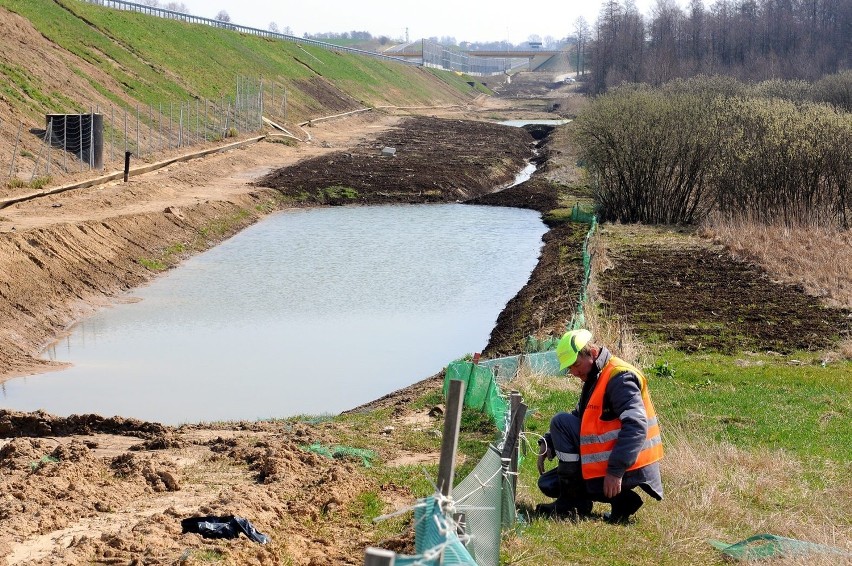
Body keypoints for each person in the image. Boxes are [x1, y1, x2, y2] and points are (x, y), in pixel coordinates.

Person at [535, 328, 664, 523]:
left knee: (560, 422)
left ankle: (572, 504)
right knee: (549, 483)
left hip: (631, 466)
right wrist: (550, 442)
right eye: (570, 369)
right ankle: (622, 501)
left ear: (592, 353)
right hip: (616, 459)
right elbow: (581, 417)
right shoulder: (597, 375)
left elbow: (636, 426)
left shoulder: (619, 378)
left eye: (576, 365)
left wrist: (615, 471)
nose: (574, 373)